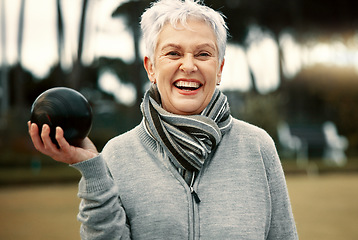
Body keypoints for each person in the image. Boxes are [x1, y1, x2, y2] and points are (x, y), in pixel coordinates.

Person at [27, 0, 298, 239]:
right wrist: (93, 171)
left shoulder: (258, 147)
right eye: (173, 53)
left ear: (220, 69)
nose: (189, 65)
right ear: (151, 67)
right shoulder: (118, 155)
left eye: (203, 54)